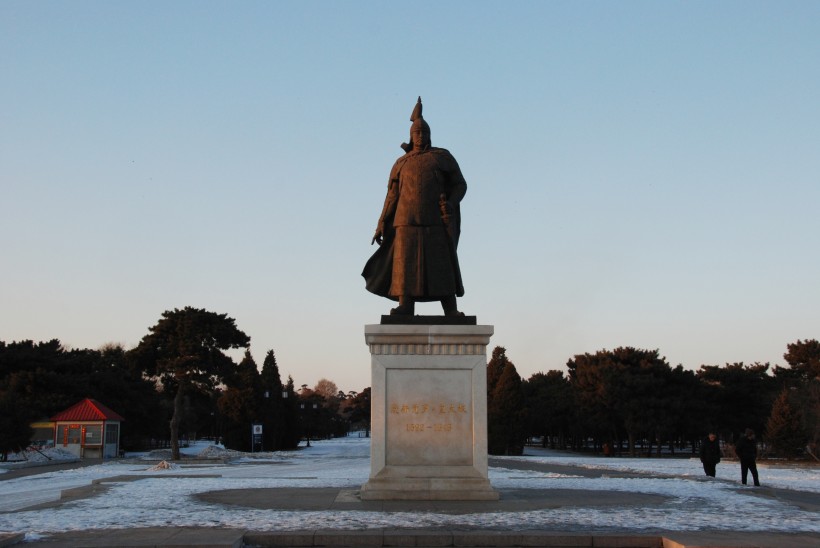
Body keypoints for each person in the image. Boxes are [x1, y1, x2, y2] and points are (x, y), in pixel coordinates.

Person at [363, 97, 467, 316]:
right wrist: (382, 222)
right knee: (405, 265)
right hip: (405, 222)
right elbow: (391, 195)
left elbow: (460, 184)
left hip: (435, 221)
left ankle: (451, 309)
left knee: (441, 263)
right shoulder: (401, 163)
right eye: (417, 133)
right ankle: (405, 305)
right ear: (411, 135)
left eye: (424, 133)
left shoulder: (441, 157)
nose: (421, 137)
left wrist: (450, 202)